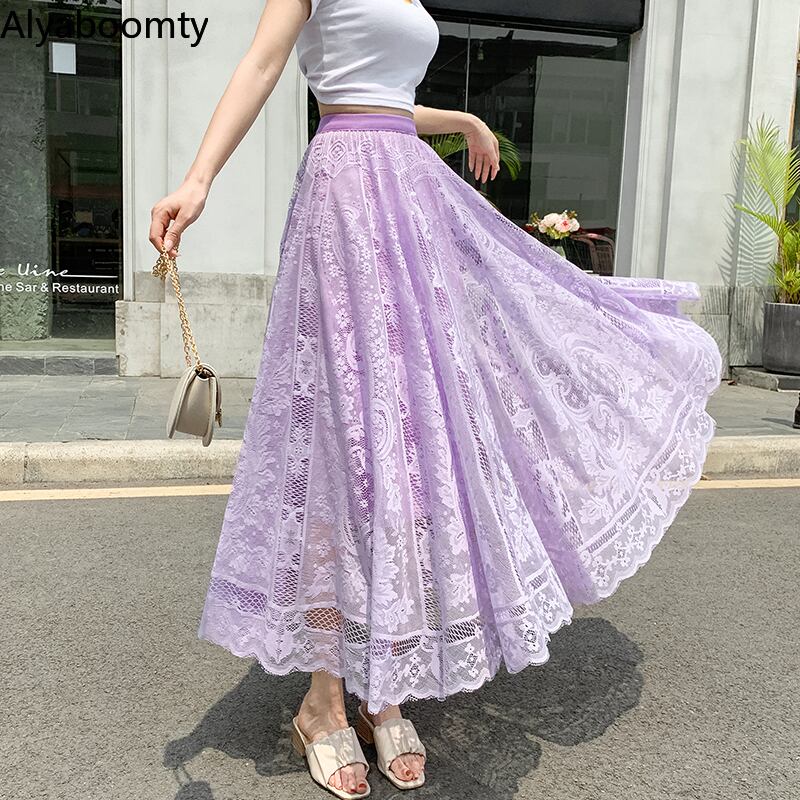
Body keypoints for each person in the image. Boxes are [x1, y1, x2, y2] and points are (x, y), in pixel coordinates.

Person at [149, 1, 723, 797]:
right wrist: (198, 179)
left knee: (414, 449)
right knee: (345, 450)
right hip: (347, 200)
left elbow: (385, 98)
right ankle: (323, 700)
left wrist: (463, 120)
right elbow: (265, 64)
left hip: (410, 200)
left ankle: (383, 687)